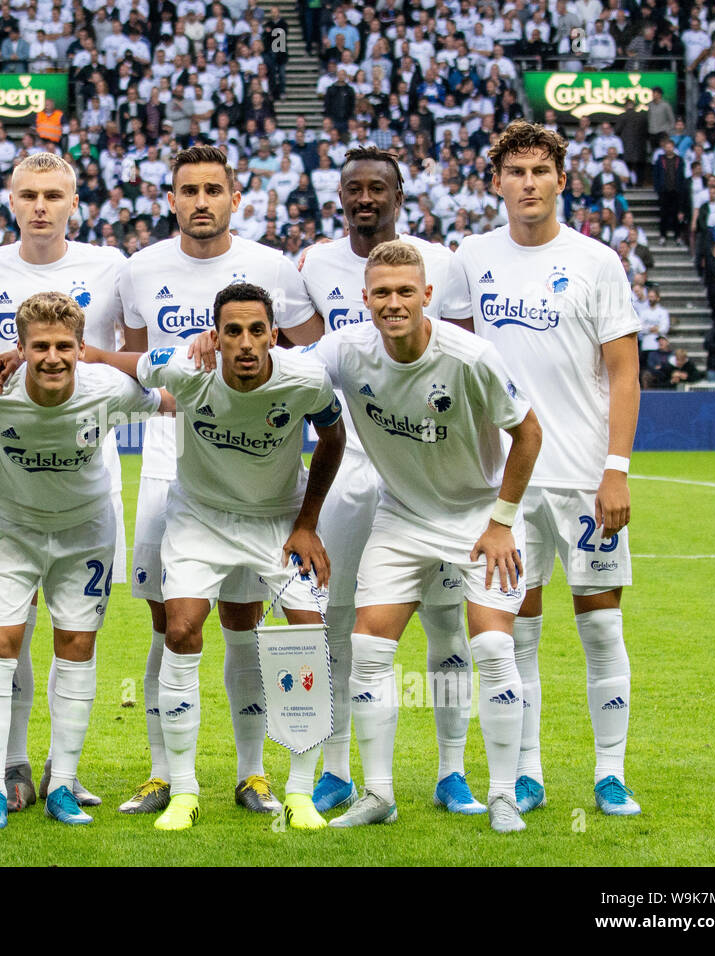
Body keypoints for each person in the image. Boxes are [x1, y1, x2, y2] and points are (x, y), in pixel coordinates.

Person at [84, 281, 344, 830]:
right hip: (199, 517)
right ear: (215, 336)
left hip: (277, 519)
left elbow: (334, 437)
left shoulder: (305, 379)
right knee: (179, 630)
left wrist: (306, 523)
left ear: (274, 335)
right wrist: (24, 353)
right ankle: (182, 790)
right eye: (233, 332)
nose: (245, 343)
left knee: (304, 637)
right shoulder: (183, 368)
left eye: (256, 331)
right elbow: (107, 357)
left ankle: (297, 791)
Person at [301, 239, 541, 832]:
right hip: (402, 516)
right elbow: (286, 368)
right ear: (365, 299)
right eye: (381, 293)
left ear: (427, 295)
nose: (393, 302)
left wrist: (503, 522)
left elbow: (529, 434)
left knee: (489, 646)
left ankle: (505, 792)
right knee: (369, 648)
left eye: (405, 291)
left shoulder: (470, 356)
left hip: (480, 519)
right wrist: (209, 348)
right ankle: (378, 794)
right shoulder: (348, 349)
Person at [114, 145, 322, 817]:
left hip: (258, 469)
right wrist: (183, 369)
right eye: (188, 190)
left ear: (236, 197)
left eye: (214, 189)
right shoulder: (141, 268)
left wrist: (236, 361)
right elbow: (138, 365)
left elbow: (306, 356)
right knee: (169, 623)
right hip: (173, 464)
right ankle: (161, 772)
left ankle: (254, 772)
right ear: (169, 199)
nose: (201, 200)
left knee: (242, 620)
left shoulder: (271, 267)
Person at [443, 121, 643, 817]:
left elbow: (624, 374)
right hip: (506, 488)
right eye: (516, 171)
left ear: (562, 179)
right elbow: (459, 363)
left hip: (585, 478)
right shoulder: (470, 258)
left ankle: (610, 772)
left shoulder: (597, 261)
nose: (528, 182)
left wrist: (615, 468)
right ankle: (526, 773)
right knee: (516, 631)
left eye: (540, 171)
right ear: (496, 182)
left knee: (601, 627)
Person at [298, 146, 484, 817]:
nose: (366, 198)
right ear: (340, 195)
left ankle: (452, 770)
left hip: (425, 469)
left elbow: (455, 363)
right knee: (341, 621)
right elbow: (308, 364)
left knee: (446, 625)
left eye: (379, 188)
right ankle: (337, 768)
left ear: (400, 195)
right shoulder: (316, 263)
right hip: (349, 464)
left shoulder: (441, 261)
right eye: (355, 188)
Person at [0, 291, 164, 830]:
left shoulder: (110, 388)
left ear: (80, 348)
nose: (52, 357)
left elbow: (173, 398)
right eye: (40, 346)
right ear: (19, 349)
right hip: (9, 532)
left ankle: (63, 784)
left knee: (76, 647)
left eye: (64, 346)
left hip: (83, 533)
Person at [0, 152, 127, 812]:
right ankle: (8, 767)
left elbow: (130, 364)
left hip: (89, 481)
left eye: (53, 194)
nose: (40, 206)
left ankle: (64, 771)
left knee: (72, 635)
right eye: (28, 194)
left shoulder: (110, 266)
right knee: (9, 632)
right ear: (10, 199)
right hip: (12, 479)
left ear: (74, 201)